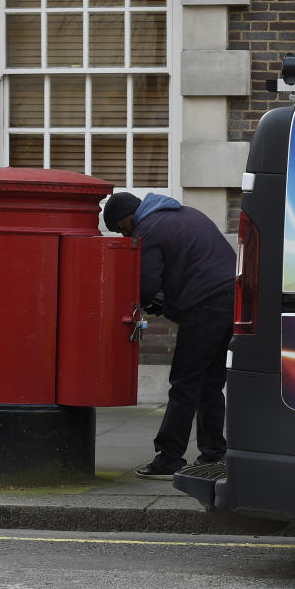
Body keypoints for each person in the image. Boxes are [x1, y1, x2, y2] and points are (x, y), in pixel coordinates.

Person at [103, 191, 236, 479]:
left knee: (184, 382)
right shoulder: (184, 213)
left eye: (120, 228)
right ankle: (214, 454)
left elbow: (146, 285)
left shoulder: (147, 229)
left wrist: (131, 304)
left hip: (206, 305)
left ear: (127, 216)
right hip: (233, 300)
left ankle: (169, 458)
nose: (124, 234)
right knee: (210, 383)